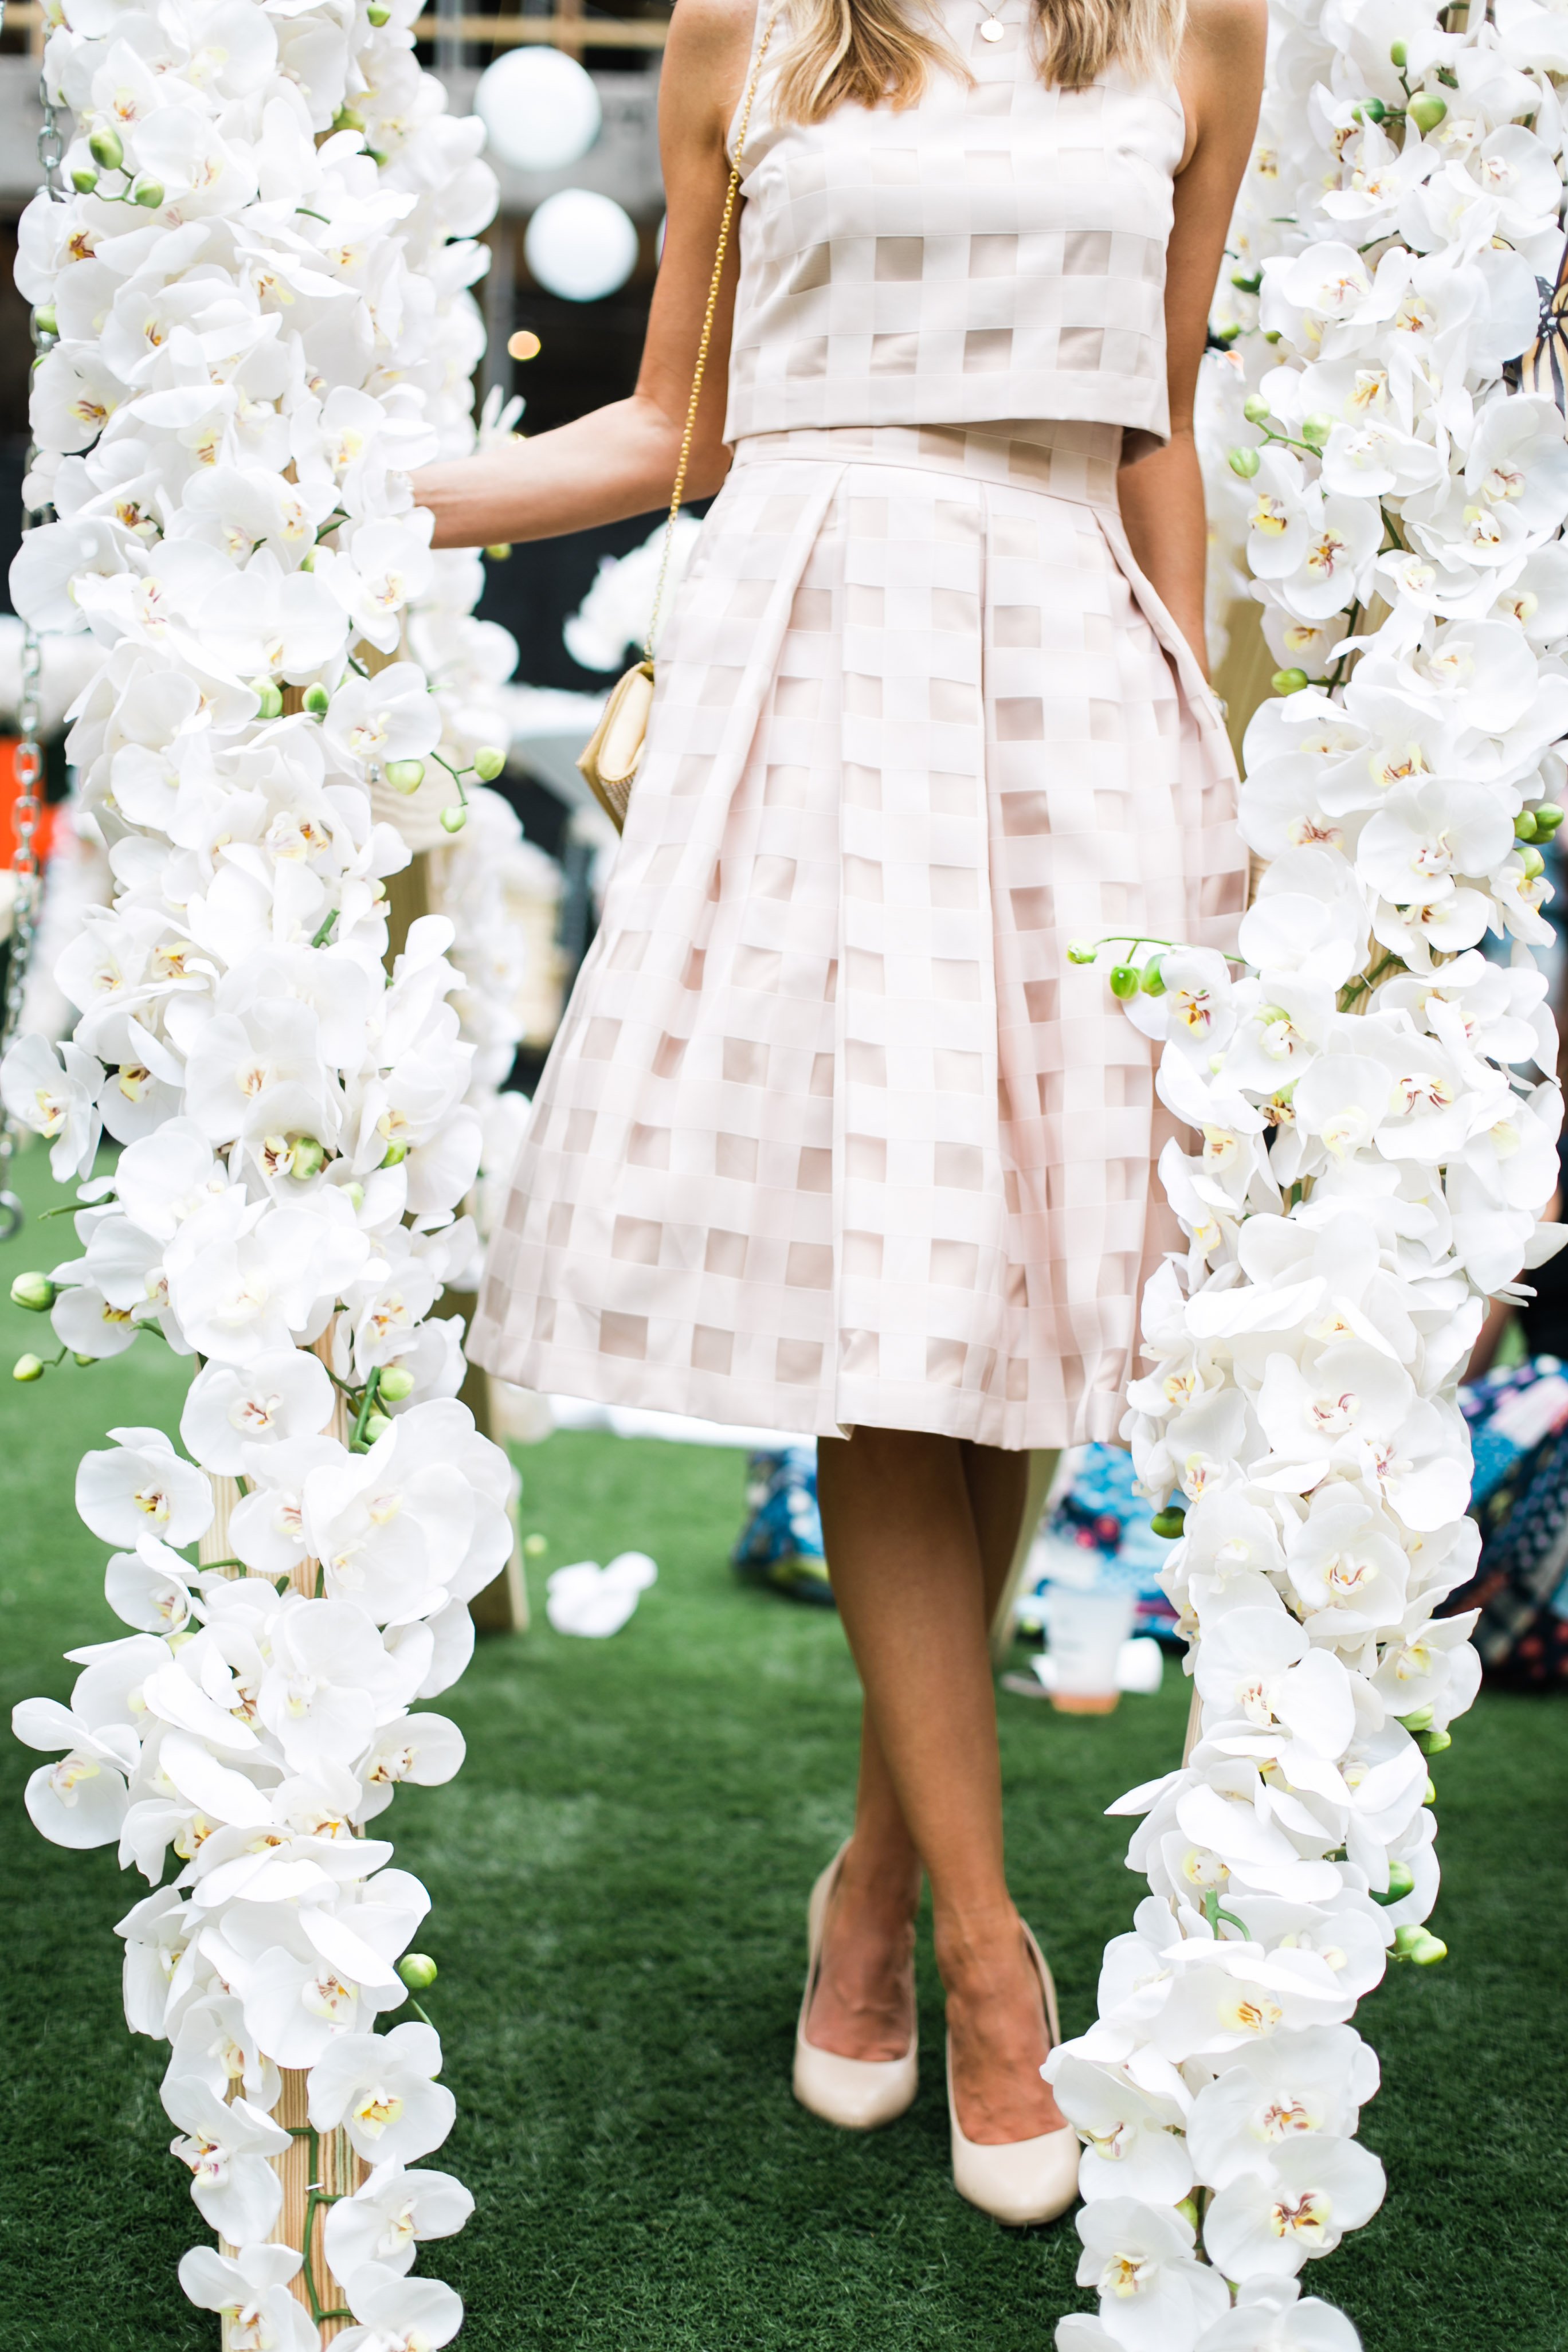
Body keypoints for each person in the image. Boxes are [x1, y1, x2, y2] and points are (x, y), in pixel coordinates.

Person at [414, 0, 1263, 2226]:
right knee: (905, 1293)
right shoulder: (746, 27)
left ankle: (879, 1879)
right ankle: (991, 1965)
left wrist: (1194, 740)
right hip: (821, 674)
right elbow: (670, 419)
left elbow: (1157, 416)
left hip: (1077, 670)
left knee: (1031, 1281)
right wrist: (365, 497)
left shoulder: (1200, 23)